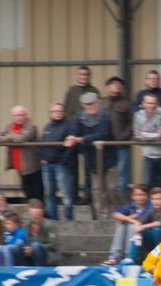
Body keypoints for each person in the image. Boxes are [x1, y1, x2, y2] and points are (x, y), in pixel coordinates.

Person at [72, 91, 117, 215]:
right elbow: (75, 132)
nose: (90, 106)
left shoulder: (106, 116)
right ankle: (100, 214)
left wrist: (84, 139)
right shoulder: (79, 118)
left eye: (92, 103)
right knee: (97, 189)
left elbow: (104, 134)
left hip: (108, 157)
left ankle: (116, 213)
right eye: (87, 104)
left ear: (98, 103)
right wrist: (72, 137)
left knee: (112, 188)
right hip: (91, 158)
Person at [63, 66, 100, 204]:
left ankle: (87, 196)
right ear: (77, 75)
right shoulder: (71, 91)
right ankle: (73, 196)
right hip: (74, 133)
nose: (84, 77)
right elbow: (66, 112)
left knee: (89, 168)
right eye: (81, 74)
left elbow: (98, 111)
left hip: (88, 135)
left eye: (86, 75)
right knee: (72, 168)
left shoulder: (94, 91)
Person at [0, 105, 43, 203]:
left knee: (36, 193)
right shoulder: (10, 126)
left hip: (32, 166)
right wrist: (14, 136)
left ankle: (40, 213)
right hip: (19, 165)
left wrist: (9, 135)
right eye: (17, 115)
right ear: (12, 116)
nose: (19, 117)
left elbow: (21, 139)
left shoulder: (31, 126)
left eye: (22, 115)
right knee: (26, 190)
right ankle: (32, 211)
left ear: (26, 115)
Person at [40, 103, 76, 220]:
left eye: (60, 111)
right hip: (47, 165)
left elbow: (71, 146)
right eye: (55, 111)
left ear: (63, 112)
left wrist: (63, 160)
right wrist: (42, 157)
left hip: (62, 165)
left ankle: (68, 218)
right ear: (50, 113)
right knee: (49, 193)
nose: (58, 113)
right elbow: (42, 144)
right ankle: (52, 218)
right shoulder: (47, 127)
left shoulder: (69, 126)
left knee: (66, 193)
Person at [133, 93, 161, 195]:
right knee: (146, 185)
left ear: (157, 104)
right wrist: (153, 134)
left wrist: (144, 134)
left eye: (153, 103)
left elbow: (160, 135)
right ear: (143, 103)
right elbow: (136, 135)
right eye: (148, 103)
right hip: (148, 156)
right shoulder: (138, 116)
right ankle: (149, 209)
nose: (151, 105)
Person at [106, 185, 152, 264]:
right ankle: (115, 256)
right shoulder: (133, 206)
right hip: (136, 232)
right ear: (132, 196)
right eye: (137, 195)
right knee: (121, 226)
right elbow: (116, 214)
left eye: (142, 195)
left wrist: (125, 219)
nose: (139, 197)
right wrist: (131, 219)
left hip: (145, 236)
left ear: (147, 196)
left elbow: (140, 218)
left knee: (131, 226)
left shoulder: (150, 206)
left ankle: (129, 256)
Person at [102, 76, 133, 193]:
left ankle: (120, 200)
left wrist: (123, 138)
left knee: (121, 173)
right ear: (108, 87)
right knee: (105, 173)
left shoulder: (127, 103)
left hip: (121, 146)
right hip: (105, 146)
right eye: (114, 84)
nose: (117, 86)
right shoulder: (102, 103)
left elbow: (132, 123)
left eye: (119, 85)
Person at [22, 199, 57, 265]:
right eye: (33, 215)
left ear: (42, 213)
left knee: (36, 245)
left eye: (38, 215)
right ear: (29, 213)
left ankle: (38, 271)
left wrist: (34, 248)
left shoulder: (49, 225)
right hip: (29, 255)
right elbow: (24, 240)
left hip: (47, 255)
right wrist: (26, 248)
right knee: (18, 246)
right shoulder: (26, 225)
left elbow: (53, 244)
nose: (36, 217)